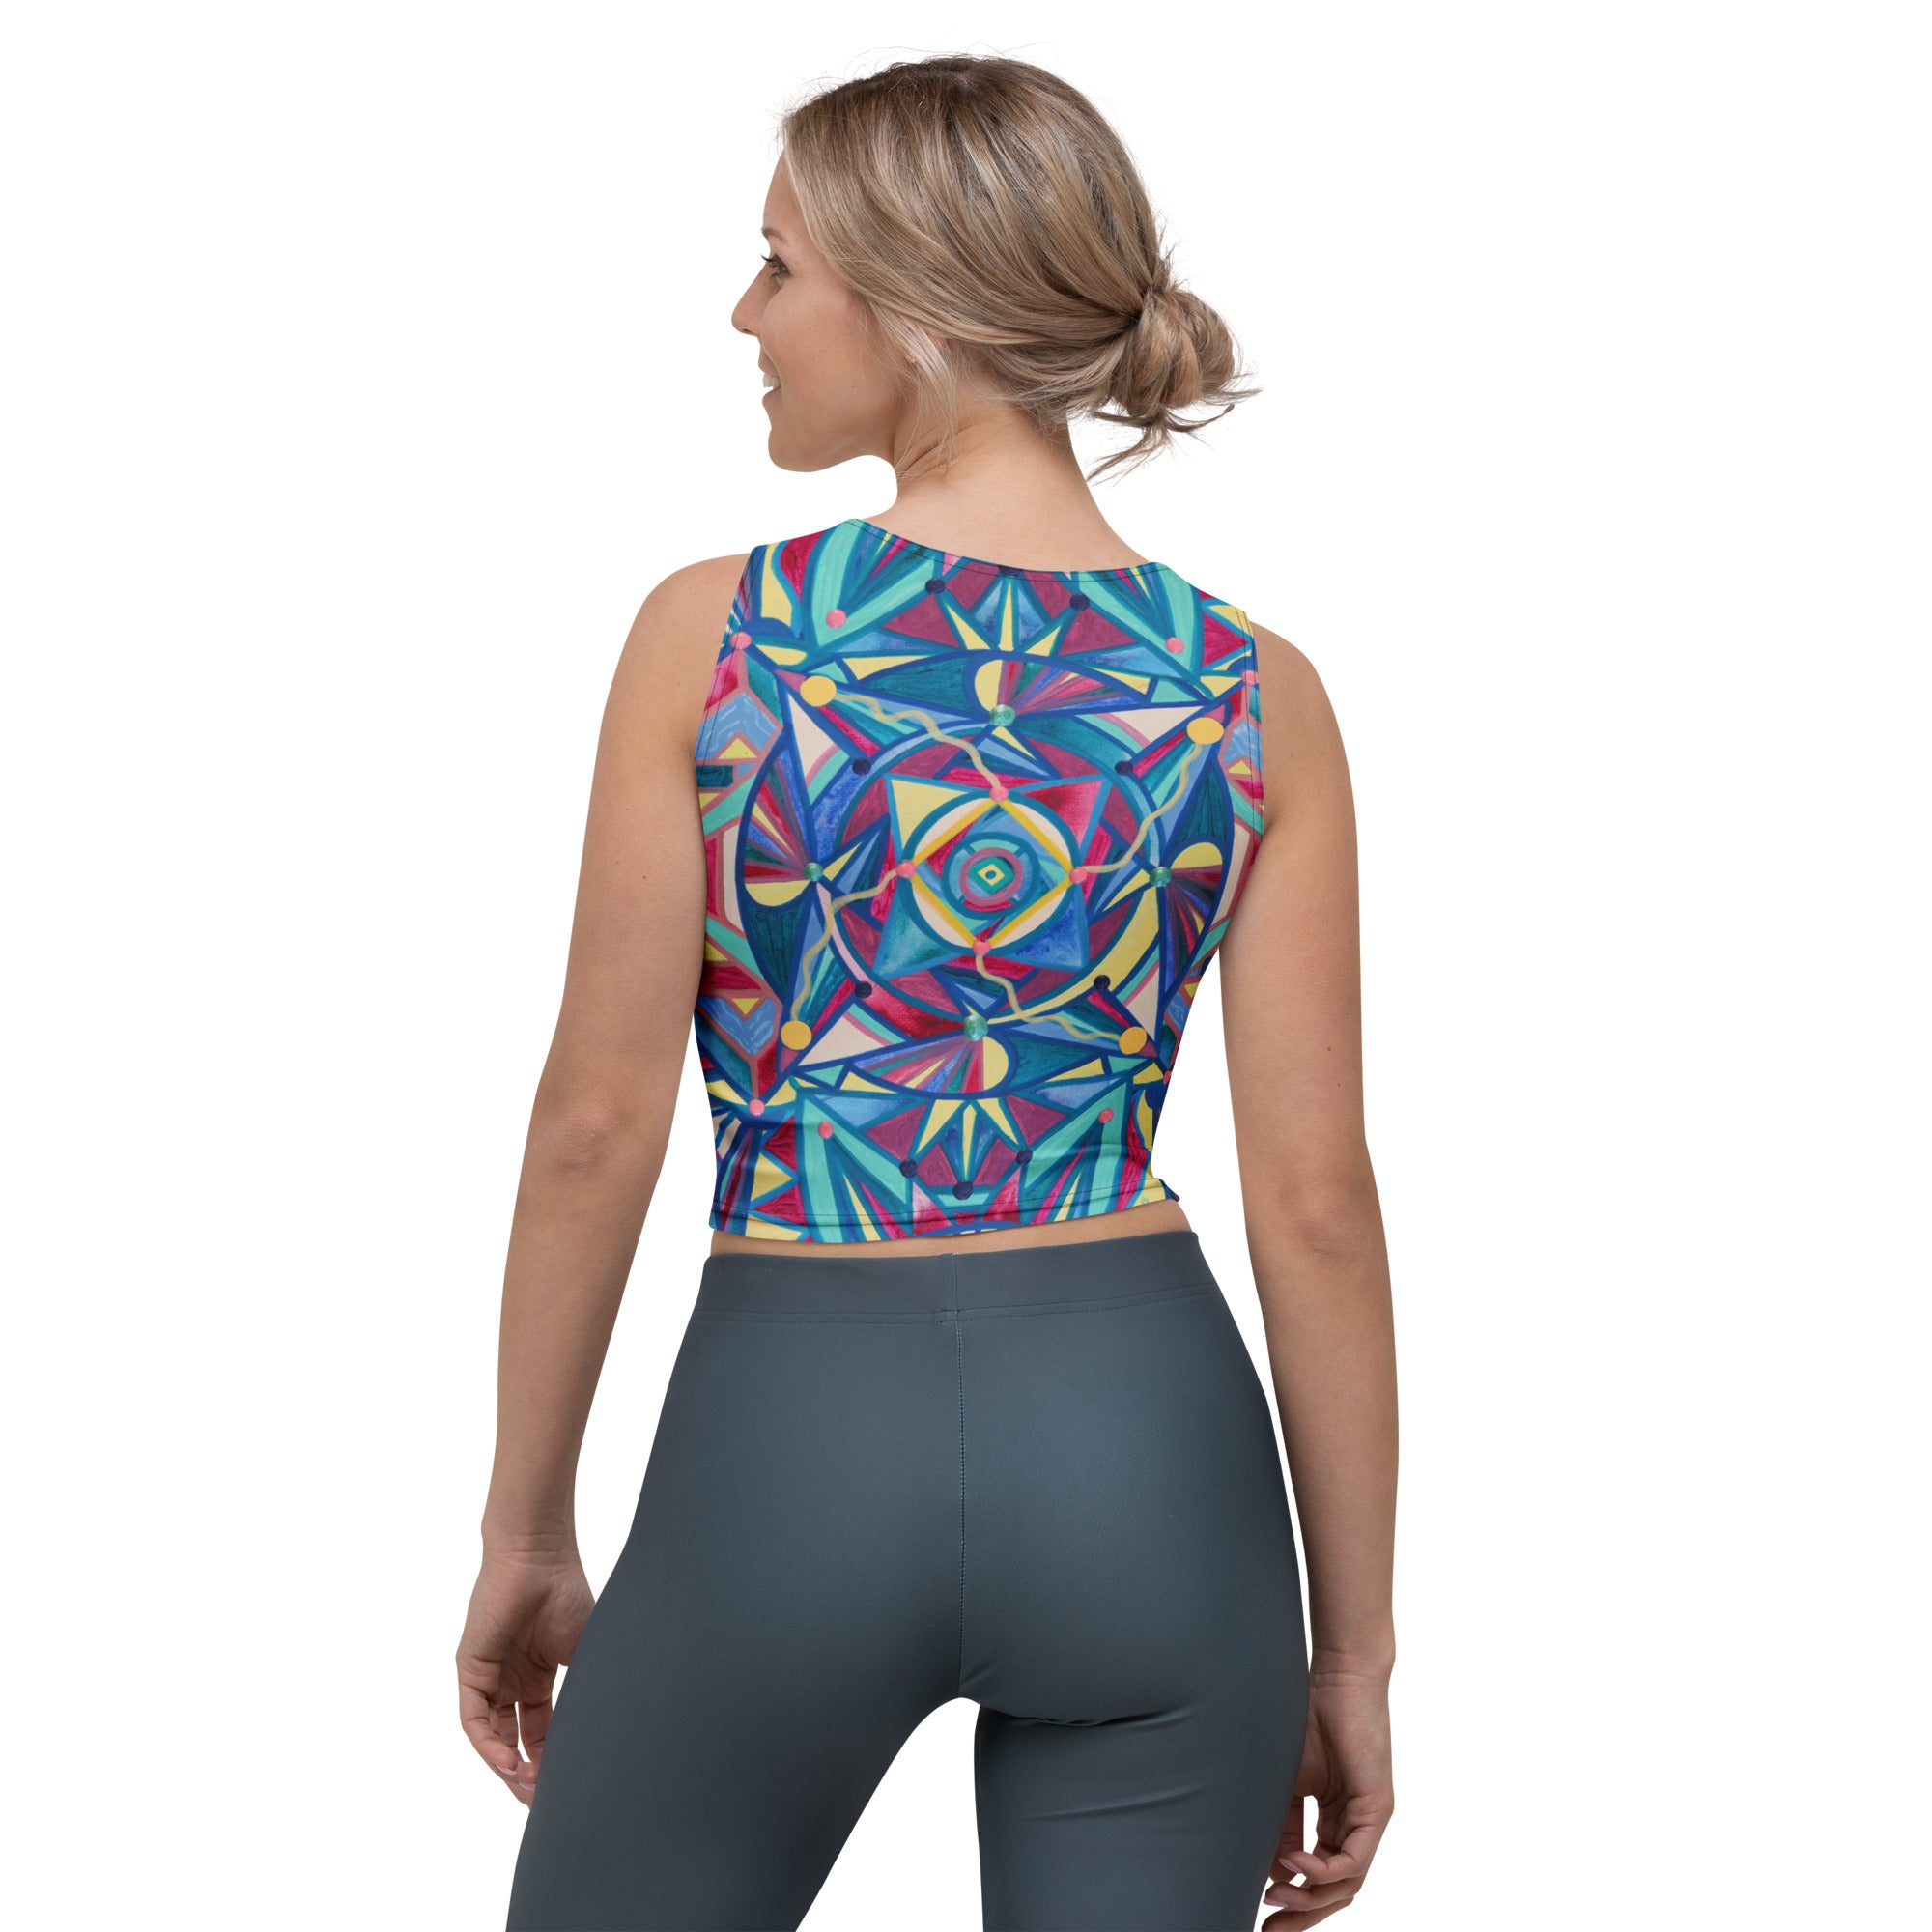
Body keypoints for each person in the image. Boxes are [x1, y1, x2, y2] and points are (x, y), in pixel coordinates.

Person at [457, 54, 1398, 1932]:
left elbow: (593, 1125)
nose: (745, 316)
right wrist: (1353, 1646)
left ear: (917, 305)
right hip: (1154, 1460)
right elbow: (1313, 1199)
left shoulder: (722, 637)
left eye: (779, 266)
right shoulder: (1250, 689)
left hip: (792, 1443)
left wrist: (525, 1524)